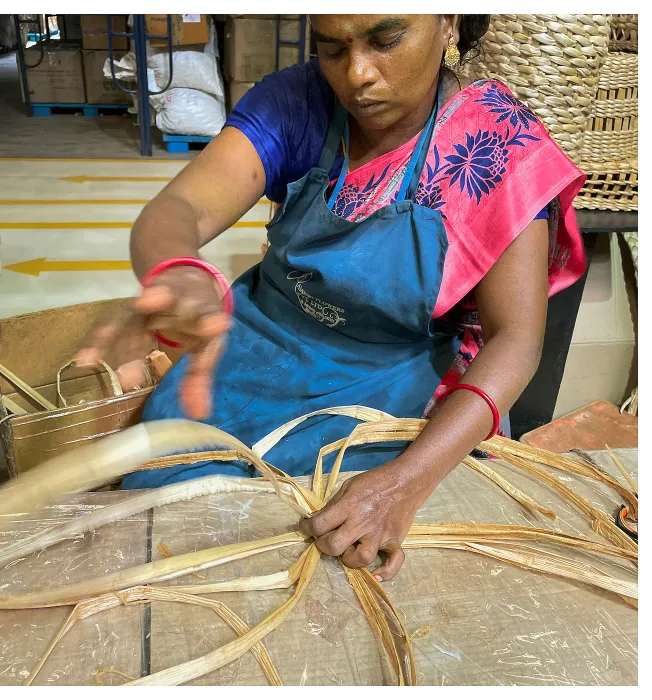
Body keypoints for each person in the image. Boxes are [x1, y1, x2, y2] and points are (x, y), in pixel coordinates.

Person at [77, 15, 586, 581]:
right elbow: (181, 208)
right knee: (164, 505)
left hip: (394, 379)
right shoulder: (300, 102)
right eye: (331, 49)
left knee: (319, 548)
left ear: (449, 21)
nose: (357, 75)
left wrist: (405, 482)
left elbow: (515, 340)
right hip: (259, 346)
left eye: (385, 41)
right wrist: (178, 273)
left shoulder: (500, 145)